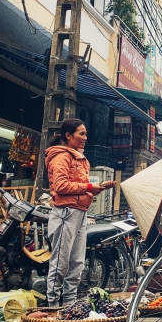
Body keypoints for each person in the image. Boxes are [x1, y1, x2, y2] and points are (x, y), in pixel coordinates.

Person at [45, 119, 115, 307]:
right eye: (81, 134)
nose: (85, 137)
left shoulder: (80, 158)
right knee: (60, 263)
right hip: (65, 213)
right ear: (68, 136)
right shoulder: (61, 156)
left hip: (79, 212)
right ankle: (53, 307)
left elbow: (79, 187)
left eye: (85, 134)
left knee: (76, 262)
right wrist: (90, 186)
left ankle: (69, 306)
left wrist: (95, 188)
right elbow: (60, 186)